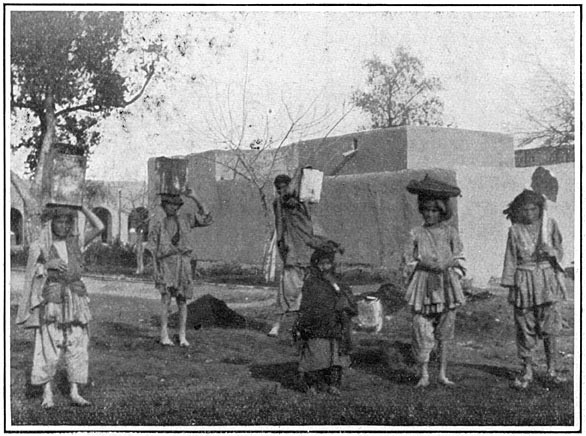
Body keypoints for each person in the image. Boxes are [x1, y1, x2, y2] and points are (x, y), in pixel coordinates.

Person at [17, 205, 105, 408]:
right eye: (59, 221)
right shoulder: (40, 246)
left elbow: (99, 226)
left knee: (77, 342)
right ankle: (47, 392)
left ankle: (74, 391)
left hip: (76, 297)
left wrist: (82, 208)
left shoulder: (77, 241)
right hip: (53, 300)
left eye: (68, 221)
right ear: (50, 222)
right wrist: (46, 266)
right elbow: (31, 274)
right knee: (49, 343)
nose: (64, 226)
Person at [501, 189, 567, 389]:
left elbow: (560, 250)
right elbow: (510, 259)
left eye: (533, 209)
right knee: (525, 326)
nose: (529, 214)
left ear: (540, 209)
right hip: (523, 281)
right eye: (525, 210)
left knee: (549, 326)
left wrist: (552, 252)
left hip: (546, 279)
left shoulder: (549, 225)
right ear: (519, 211)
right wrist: (511, 286)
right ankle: (527, 369)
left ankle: (551, 369)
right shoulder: (514, 231)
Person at [404, 176, 466, 388]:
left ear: (442, 211)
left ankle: (442, 373)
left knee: (445, 329)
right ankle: (424, 373)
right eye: (426, 210)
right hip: (423, 283)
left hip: (446, 284)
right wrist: (422, 266)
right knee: (421, 327)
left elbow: (459, 257)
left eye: (434, 210)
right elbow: (408, 261)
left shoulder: (450, 232)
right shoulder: (416, 233)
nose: (430, 214)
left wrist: (452, 271)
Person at [269, 174, 341, 337]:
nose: (281, 191)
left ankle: (304, 326)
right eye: (278, 189)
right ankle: (277, 325)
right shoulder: (279, 203)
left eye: (284, 187)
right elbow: (280, 225)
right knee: (287, 291)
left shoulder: (304, 203)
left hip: (309, 254)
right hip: (293, 254)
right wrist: (282, 245)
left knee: (311, 293)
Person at [149, 188, 212, 348]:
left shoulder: (186, 220)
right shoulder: (158, 223)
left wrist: (194, 196)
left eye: (177, 205)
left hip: (183, 263)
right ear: (164, 205)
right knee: (166, 299)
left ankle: (182, 335)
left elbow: (207, 218)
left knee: (182, 300)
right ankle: (164, 334)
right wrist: (156, 270)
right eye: (170, 204)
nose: (174, 208)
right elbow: (153, 250)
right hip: (166, 264)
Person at [294, 247, 357, 395]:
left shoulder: (336, 281)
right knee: (314, 356)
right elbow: (306, 304)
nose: (324, 267)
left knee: (334, 358)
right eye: (321, 264)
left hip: (333, 324)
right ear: (316, 264)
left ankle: (333, 385)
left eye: (327, 263)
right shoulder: (311, 282)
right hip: (315, 325)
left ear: (332, 264)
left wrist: (335, 286)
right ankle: (311, 386)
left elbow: (345, 298)